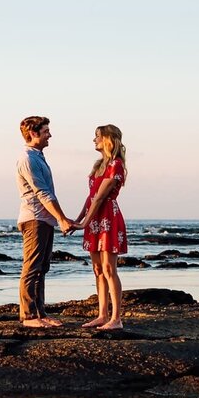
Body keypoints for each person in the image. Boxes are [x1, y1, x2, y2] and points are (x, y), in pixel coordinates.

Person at [16, 116, 77, 328]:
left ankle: (40, 312)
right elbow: (42, 193)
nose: (49, 134)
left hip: (44, 219)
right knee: (32, 268)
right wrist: (61, 218)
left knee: (42, 268)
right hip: (34, 218)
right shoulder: (28, 159)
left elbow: (48, 193)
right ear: (33, 133)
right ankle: (29, 316)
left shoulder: (38, 157)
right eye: (46, 131)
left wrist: (61, 218)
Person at [76, 124, 128, 330]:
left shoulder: (116, 164)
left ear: (108, 139)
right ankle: (102, 314)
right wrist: (78, 219)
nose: (94, 140)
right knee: (98, 269)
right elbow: (90, 198)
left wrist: (83, 223)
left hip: (107, 217)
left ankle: (116, 318)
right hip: (93, 218)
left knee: (108, 268)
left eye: (97, 136)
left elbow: (100, 198)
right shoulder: (99, 164)